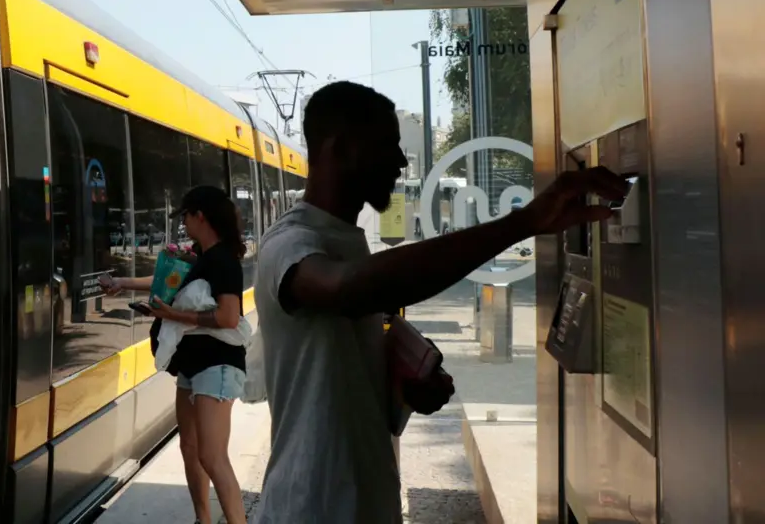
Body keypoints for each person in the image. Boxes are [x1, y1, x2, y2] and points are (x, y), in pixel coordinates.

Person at [254, 81, 629, 523]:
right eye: (387, 146)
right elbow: (348, 289)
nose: (398, 161)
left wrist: (400, 387)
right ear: (341, 150)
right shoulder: (289, 243)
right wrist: (523, 222)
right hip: (310, 508)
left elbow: (335, 365)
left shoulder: (345, 240)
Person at [100, 185, 249, 524]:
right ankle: (203, 520)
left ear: (200, 216)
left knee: (212, 456)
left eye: (185, 216)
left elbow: (227, 317)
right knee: (191, 447)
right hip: (192, 365)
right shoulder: (203, 256)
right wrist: (122, 283)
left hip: (218, 365)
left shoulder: (224, 260)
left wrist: (172, 316)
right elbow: (166, 281)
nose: (183, 223)